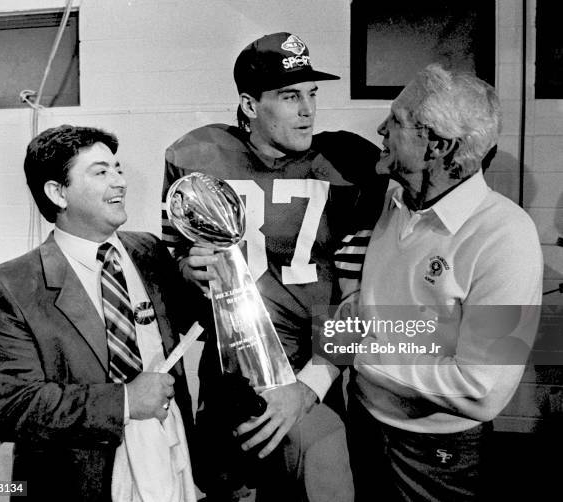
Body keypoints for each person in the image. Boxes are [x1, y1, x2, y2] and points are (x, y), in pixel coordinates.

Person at [161, 32, 388, 501]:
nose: (307, 110)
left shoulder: (347, 162)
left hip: (317, 365)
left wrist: (320, 375)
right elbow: (173, 267)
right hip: (232, 367)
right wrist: (186, 268)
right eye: (289, 96)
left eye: (312, 94)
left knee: (322, 477)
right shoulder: (197, 156)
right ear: (249, 105)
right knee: (227, 485)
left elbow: (361, 295)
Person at [342, 64, 543, 500]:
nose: (380, 128)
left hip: (436, 454)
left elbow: (482, 390)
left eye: (395, 120)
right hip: (360, 424)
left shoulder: (507, 235)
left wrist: (357, 352)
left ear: (438, 145)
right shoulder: (392, 202)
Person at [0, 125, 203, 502]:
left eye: (118, 168)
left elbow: (197, 326)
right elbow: (12, 408)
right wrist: (125, 400)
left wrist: (206, 281)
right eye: (101, 172)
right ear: (57, 193)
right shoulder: (7, 287)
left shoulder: (148, 251)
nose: (120, 182)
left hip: (168, 458)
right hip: (79, 482)